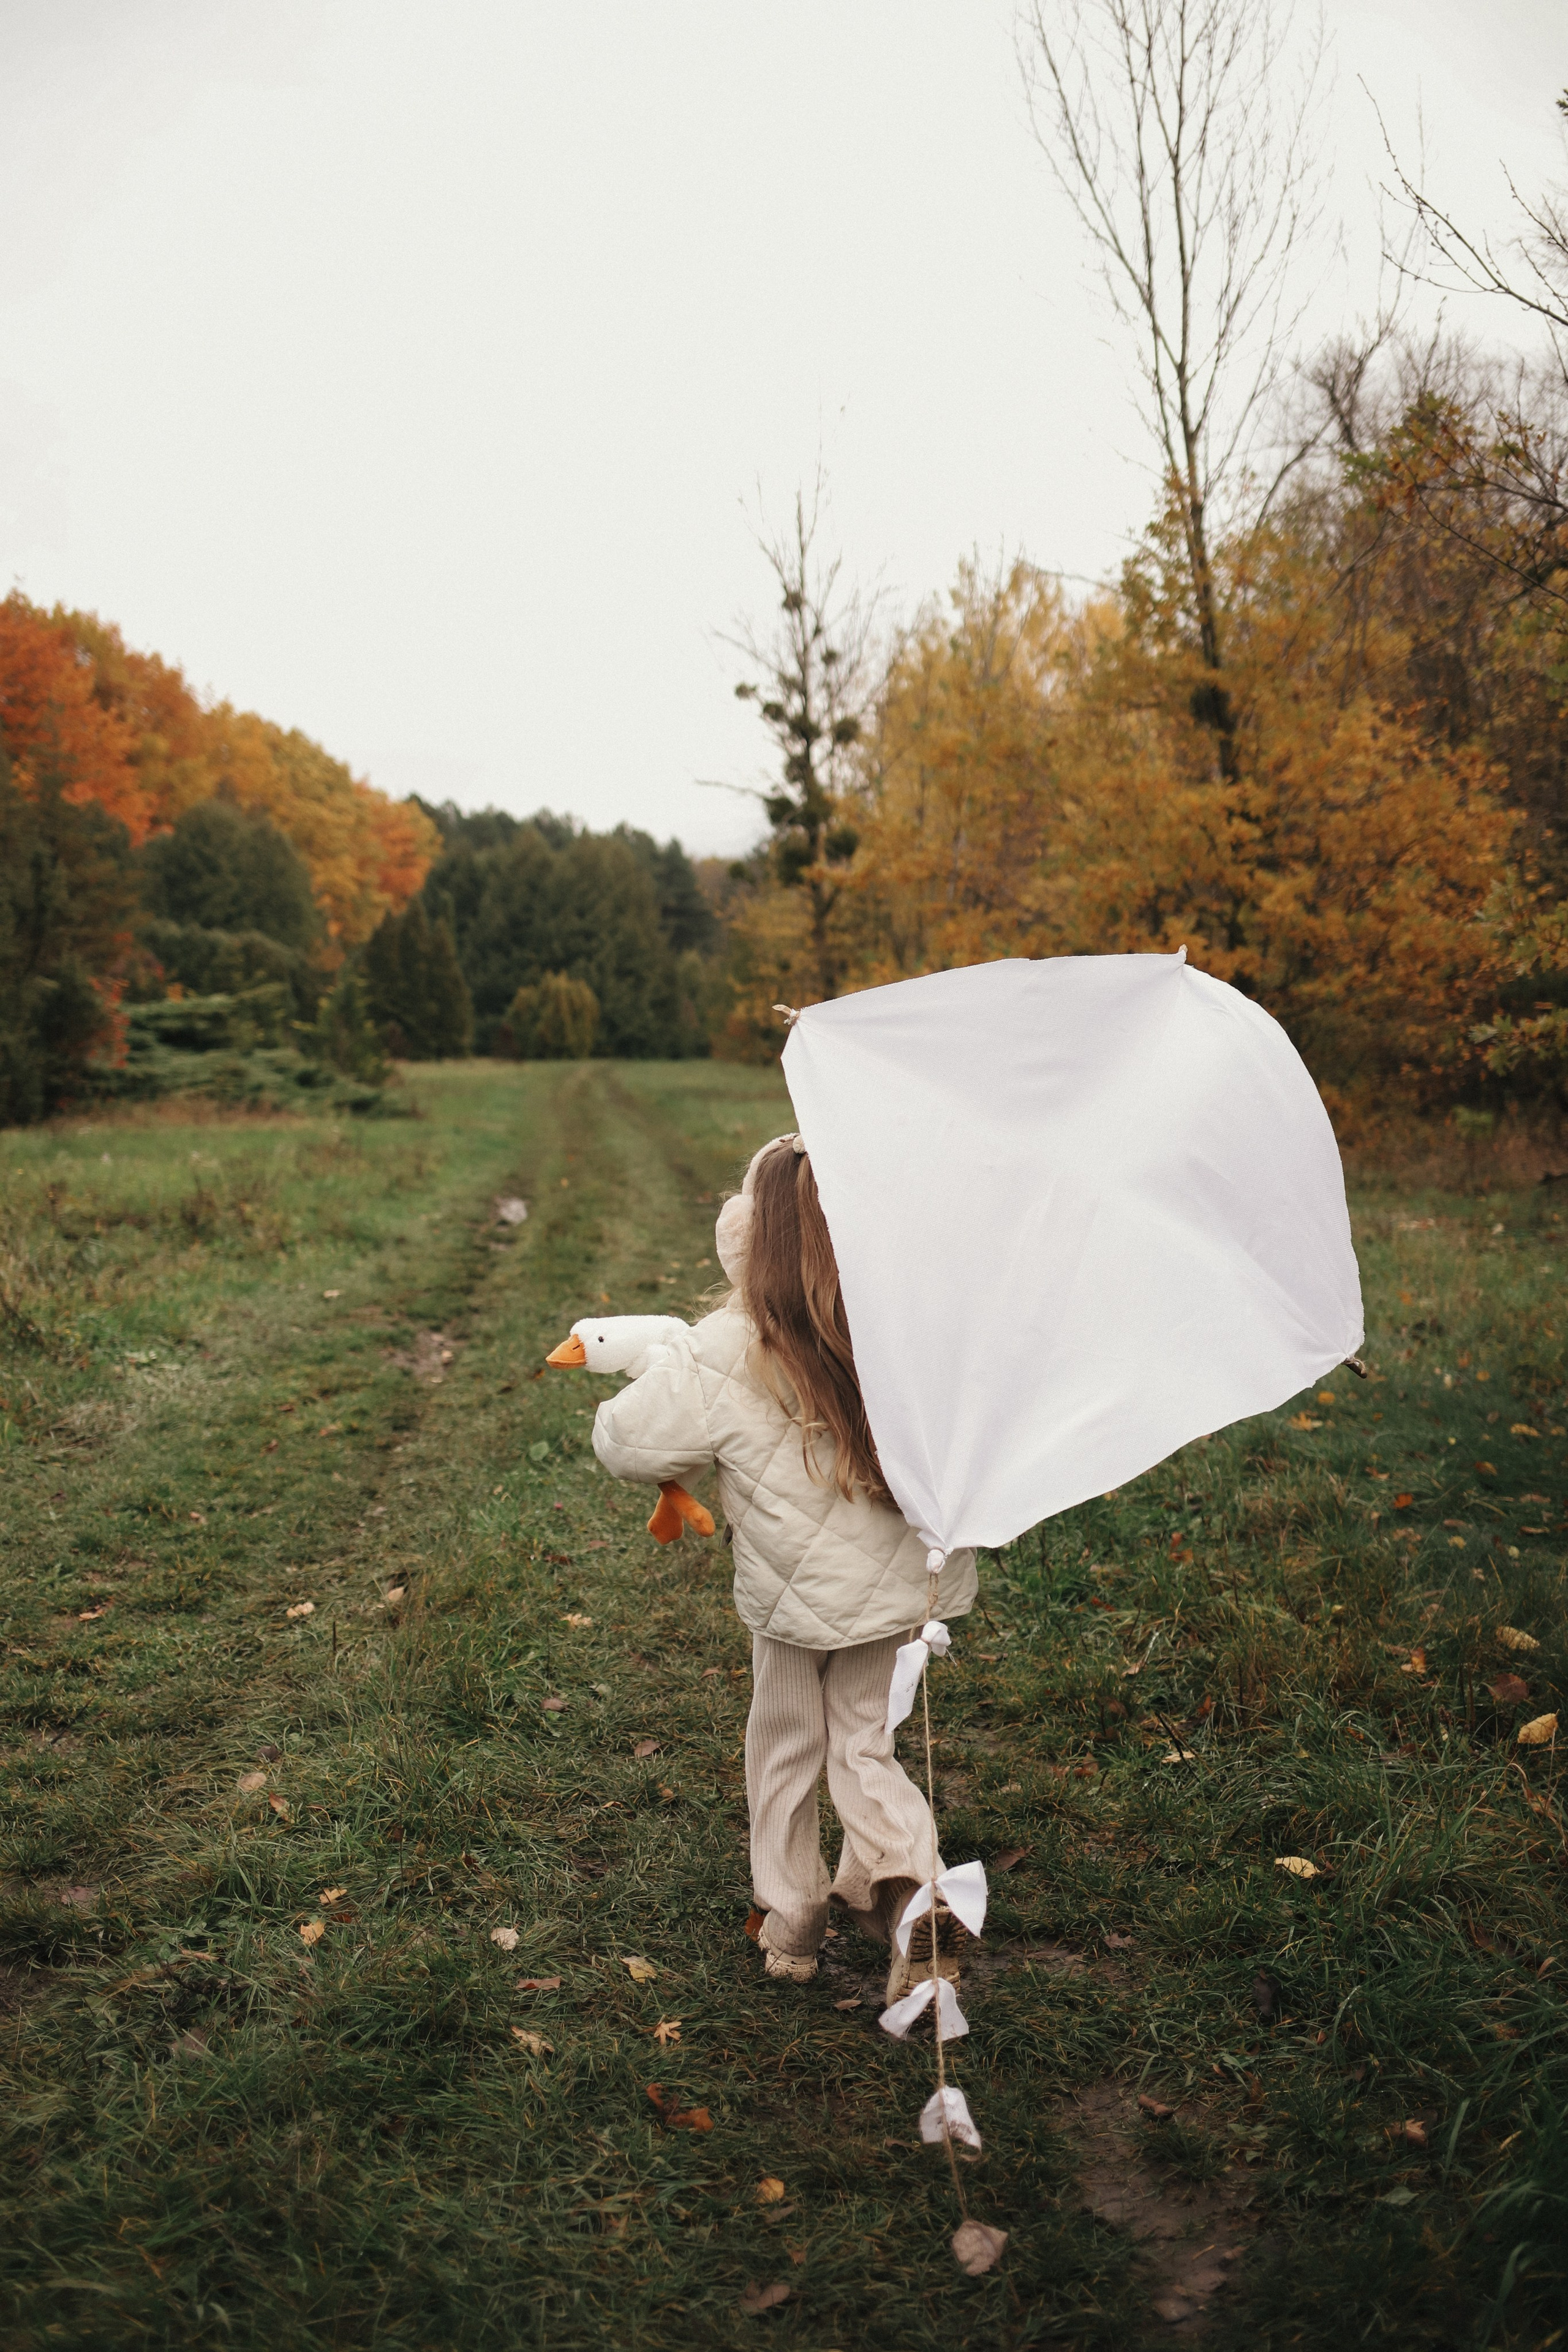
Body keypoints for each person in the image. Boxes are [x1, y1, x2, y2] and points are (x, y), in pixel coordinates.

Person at [590, 1132, 977, 2006]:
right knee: (864, 1745)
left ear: (747, 1235)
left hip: (792, 1608)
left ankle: (794, 1919)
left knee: (785, 1750)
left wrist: (662, 1361)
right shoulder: (907, 1322)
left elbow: (625, 1441)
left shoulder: (719, 1345)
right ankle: (916, 1889)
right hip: (899, 1591)